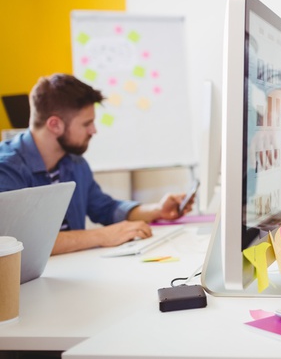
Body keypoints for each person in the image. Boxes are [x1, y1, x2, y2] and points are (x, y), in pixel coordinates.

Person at [0, 74, 194, 255]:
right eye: (87, 124)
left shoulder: (74, 162)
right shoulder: (6, 168)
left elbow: (106, 208)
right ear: (54, 125)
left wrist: (157, 210)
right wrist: (102, 236)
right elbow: (19, 243)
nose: (94, 130)